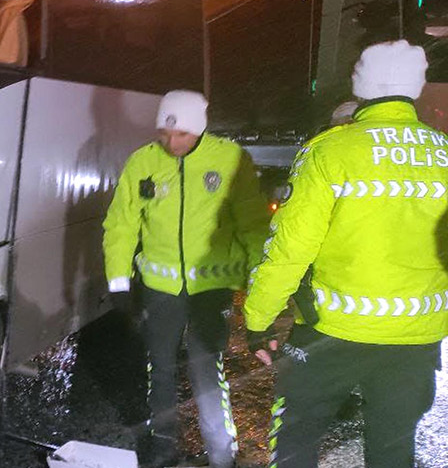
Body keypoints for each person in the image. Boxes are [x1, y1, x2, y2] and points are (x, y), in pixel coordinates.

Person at [243, 40, 448, 467]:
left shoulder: (330, 151)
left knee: (296, 437)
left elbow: (289, 249)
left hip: (331, 333)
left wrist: (258, 320)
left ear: (361, 85)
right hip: (416, 337)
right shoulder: (444, 154)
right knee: (393, 450)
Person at [102, 90, 270, 468]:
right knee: (159, 367)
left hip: (211, 290)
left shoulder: (229, 159)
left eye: (182, 135)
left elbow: (253, 226)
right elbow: (121, 226)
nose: (172, 142)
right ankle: (163, 448)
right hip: (160, 291)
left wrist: (262, 284)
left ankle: (221, 454)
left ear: (200, 129)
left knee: (206, 369)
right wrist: (119, 283)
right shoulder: (142, 162)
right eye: (165, 133)